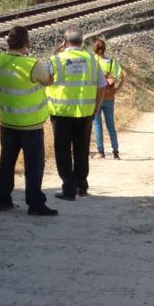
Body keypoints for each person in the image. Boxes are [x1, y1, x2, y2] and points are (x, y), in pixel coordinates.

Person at [0, 26, 59, 216]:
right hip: (31, 125)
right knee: (34, 166)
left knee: (6, 162)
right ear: (27, 43)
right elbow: (48, 80)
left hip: (7, 122)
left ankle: (3, 199)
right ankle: (35, 203)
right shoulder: (32, 64)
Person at [47, 28, 104, 200]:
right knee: (82, 149)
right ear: (82, 42)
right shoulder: (92, 60)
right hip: (85, 113)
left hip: (61, 114)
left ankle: (68, 188)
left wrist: (56, 51)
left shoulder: (56, 60)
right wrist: (95, 108)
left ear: (64, 42)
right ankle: (81, 186)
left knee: (62, 151)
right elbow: (101, 86)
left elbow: (45, 79)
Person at [91, 38, 125, 160]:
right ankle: (115, 151)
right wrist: (117, 90)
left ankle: (101, 152)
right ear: (104, 49)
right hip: (110, 97)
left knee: (98, 124)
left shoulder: (93, 61)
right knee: (111, 125)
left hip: (96, 97)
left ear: (94, 49)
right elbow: (124, 76)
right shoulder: (112, 62)